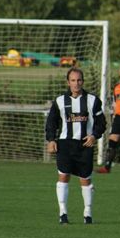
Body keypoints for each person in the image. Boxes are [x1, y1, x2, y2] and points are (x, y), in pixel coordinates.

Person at [45, 67, 106, 225]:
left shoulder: (92, 100)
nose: (76, 83)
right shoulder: (59, 101)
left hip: (84, 144)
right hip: (65, 144)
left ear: (83, 81)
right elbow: (51, 122)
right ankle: (63, 213)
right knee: (63, 176)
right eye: (73, 80)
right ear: (68, 82)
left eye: (79, 80)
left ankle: (87, 213)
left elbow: (102, 123)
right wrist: (51, 139)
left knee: (85, 179)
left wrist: (94, 135)